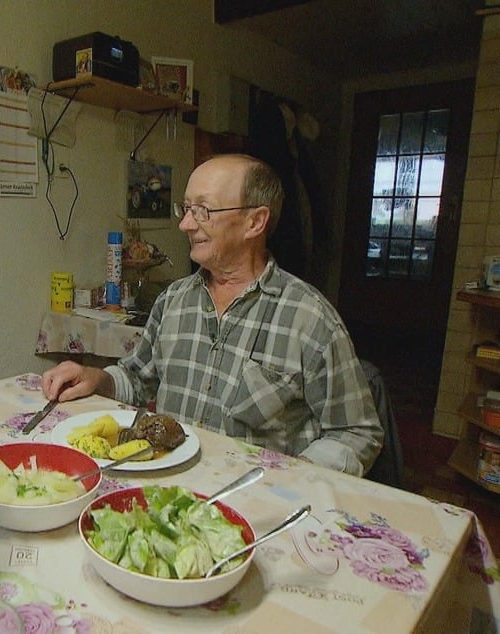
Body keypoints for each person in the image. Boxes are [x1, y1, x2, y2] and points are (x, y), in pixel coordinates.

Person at [41, 154, 382, 476]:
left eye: (203, 210)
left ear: (255, 221)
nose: (186, 224)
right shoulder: (173, 300)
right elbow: (138, 378)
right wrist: (97, 378)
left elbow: (357, 433)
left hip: (251, 499)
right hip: (168, 485)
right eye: (186, 209)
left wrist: (293, 478)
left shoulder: (310, 318)